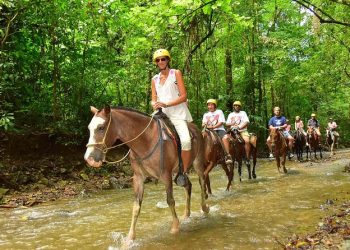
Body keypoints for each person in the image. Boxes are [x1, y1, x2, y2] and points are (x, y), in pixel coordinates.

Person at [151, 49, 192, 186]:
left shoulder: (176, 73)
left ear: (168, 60)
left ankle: (184, 172)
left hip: (177, 113)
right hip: (160, 113)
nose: (161, 62)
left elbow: (183, 96)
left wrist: (166, 103)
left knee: (186, 141)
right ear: (155, 63)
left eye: (163, 59)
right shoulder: (154, 79)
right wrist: (154, 104)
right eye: (158, 60)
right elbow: (153, 98)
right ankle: (148, 168)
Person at [202, 99, 233, 164]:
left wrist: (213, 127)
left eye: (212, 105)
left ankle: (227, 155)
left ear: (215, 106)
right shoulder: (206, 114)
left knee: (225, 138)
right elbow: (203, 124)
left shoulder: (219, 112)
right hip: (208, 130)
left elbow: (221, 122)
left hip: (219, 130)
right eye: (209, 105)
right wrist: (205, 124)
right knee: (200, 137)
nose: (210, 106)